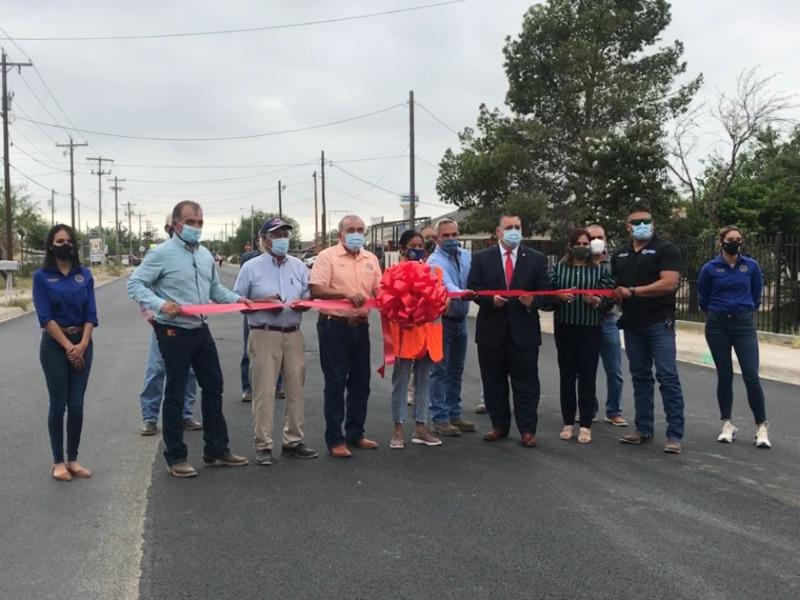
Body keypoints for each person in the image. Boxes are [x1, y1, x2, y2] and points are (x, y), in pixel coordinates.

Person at [128, 200, 251, 478]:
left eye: (200, 222)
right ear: (176, 224)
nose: (196, 227)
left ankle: (217, 449)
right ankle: (176, 457)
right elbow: (135, 284)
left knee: (214, 386)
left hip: (200, 328)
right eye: (191, 222)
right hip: (172, 330)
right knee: (175, 390)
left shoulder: (206, 255)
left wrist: (239, 300)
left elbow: (215, 289)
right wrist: (160, 304)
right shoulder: (161, 254)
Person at [234, 218, 319, 465]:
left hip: (293, 332)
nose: (282, 238)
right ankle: (263, 444)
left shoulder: (298, 266)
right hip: (264, 332)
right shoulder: (251, 267)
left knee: (295, 390)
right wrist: (262, 303)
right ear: (264, 239)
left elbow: (307, 293)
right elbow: (238, 301)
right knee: (263, 390)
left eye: (285, 234)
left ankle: (293, 440)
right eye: (276, 234)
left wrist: (305, 301)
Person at [467, 214, 551, 447]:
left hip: (524, 333)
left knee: (526, 383)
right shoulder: (482, 258)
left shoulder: (536, 258)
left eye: (517, 227)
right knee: (494, 382)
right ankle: (499, 426)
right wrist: (489, 300)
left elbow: (546, 293)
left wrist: (532, 301)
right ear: (498, 231)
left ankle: (527, 430)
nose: (514, 231)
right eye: (509, 227)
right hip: (491, 331)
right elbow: (474, 287)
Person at [612, 208, 685, 454]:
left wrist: (633, 291)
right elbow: (614, 287)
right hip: (632, 324)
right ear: (627, 226)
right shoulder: (620, 253)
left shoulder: (666, 249)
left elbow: (669, 283)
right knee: (641, 377)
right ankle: (643, 429)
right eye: (636, 222)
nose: (641, 225)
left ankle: (674, 434)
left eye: (646, 221)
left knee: (667, 376)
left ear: (653, 224)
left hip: (659, 322)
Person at [310, 214, 382, 458]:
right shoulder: (326, 256)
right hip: (334, 327)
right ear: (340, 233)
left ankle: (356, 433)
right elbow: (316, 288)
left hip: (361, 327)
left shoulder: (371, 258)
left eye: (360, 229)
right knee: (336, 382)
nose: (356, 233)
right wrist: (345, 293)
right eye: (351, 229)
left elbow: (380, 290)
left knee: (361, 383)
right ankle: (335, 439)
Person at [32, 224, 97, 481]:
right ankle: (58, 461)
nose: (65, 245)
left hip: (83, 342)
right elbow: (45, 316)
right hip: (55, 346)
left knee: (77, 405)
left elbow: (91, 314)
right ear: (50, 245)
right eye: (59, 241)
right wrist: (69, 347)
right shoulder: (41, 277)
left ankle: (73, 459)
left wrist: (81, 344)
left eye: (69, 241)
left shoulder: (85, 275)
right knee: (58, 404)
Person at [698, 226, 770, 448]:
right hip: (718, 324)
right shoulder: (710, 268)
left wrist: (744, 310)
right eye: (730, 239)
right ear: (721, 242)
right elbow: (703, 297)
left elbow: (756, 293)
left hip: (743, 323)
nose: (735, 243)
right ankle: (727, 424)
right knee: (725, 375)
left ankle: (761, 426)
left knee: (751, 375)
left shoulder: (750, 266)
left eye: (738, 239)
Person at [550, 228, 616, 444]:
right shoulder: (558, 268)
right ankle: (568, 422)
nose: (583, 247)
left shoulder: (599, 271)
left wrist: (598, 301)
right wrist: (558, 297)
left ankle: (586, 424)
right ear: (570, 246)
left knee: (587, 377)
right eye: (579, 243)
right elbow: (547, 294)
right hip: (565, 327)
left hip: (590, 328)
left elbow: (610, 298)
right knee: (567, 376)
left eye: (586, 244)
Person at [138, 214, 201, 436]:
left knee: (189, 372)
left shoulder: (194, 255)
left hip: (190, 325)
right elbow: (141, 289)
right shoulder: (159, 255)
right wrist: (153, 315)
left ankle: (185, 413)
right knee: (156, 370)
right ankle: (150, 417)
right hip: (162, 324)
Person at [388, 230, 443, 449]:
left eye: (421, 244)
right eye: (413, 244)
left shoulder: (434, 272)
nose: (419, 248)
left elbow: (442, 299)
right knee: (401, 383)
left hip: (429, 335)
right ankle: (398, 429)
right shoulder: (393, 273)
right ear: (402, 248)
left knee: (424, 381)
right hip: (405, 335)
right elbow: (388, 304)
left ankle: (421, 427)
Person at [425, 218, 476, 437]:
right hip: (441, 322)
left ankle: (455, 413)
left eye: (454, 234)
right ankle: (440, 417)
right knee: (439, 370)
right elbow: (446, 284)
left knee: (456, 370)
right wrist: (462, 293)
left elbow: (476, 279)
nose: (451, 239)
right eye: (446, 235)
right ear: (437, 238)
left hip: (461, 321)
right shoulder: (434, 261)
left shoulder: (466, 257)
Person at [586, 224, 627, 427]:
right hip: (584, 321)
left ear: (605, 238)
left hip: (608, 320)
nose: (595, 240)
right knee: (585, 369)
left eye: (599, 236)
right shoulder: (580, 263)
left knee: (614, 369)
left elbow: (618, 289)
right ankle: (588, 409)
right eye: (591, 237)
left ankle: (614, 411)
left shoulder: (615, 263)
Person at [238, 240, 260, 402]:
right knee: (249, 350)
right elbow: (241, 290)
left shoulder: (288, 262)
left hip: (280, 317)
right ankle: (248, 388)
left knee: (279, 354)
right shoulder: (248, 260)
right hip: (253, 313)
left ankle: (278, 385)